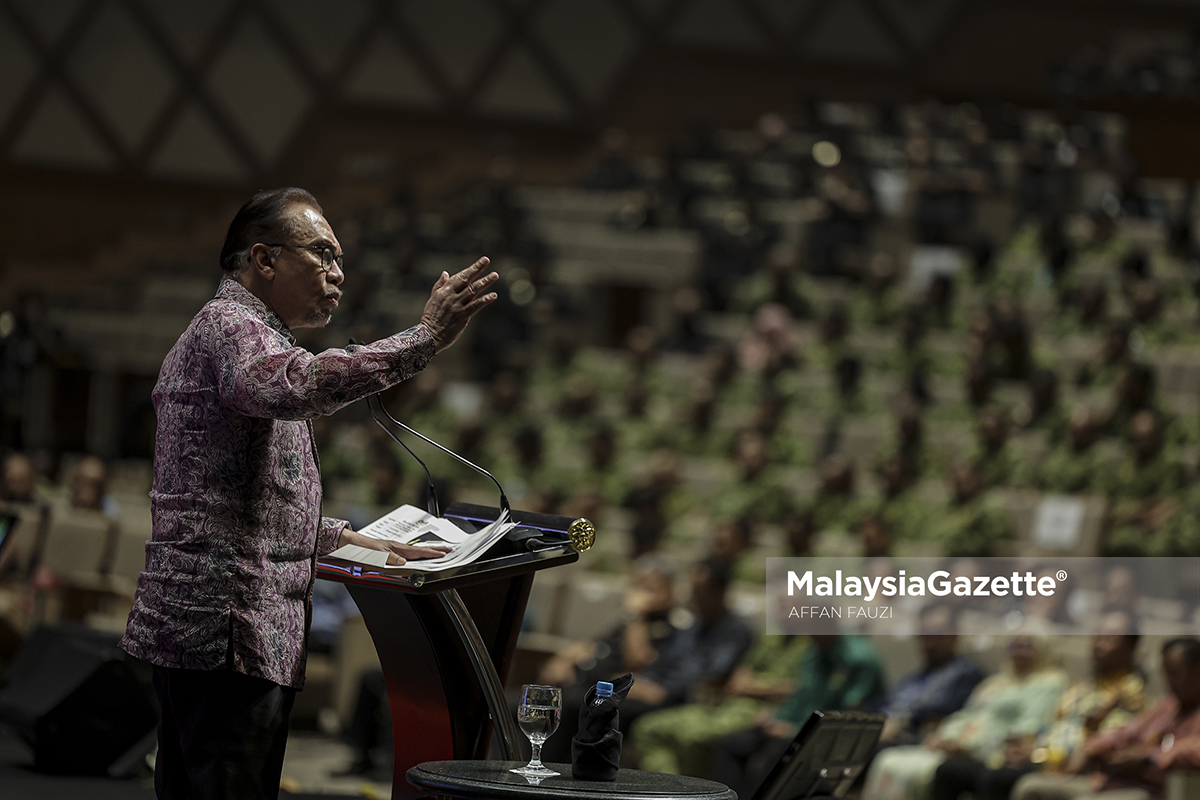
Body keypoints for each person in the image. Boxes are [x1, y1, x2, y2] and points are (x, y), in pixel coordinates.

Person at [119, 187, 499, 800]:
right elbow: (299, 385)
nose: (338, 273)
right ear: (263, 259)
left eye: (341, 260)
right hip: (226, 635)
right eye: (323, 253)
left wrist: (347, 540)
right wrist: (423, 338)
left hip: (230, 636)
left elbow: (240, 504)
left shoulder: (246, 337)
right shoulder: (230, 328)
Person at [931, 608, 1146, 800]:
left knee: (996, 779)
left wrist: (1038, 753)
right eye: (1096, 636)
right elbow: (1053, 726)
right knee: (949, 771)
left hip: (1072, 767)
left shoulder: (1130, 693)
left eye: (1108, 638)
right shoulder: (1082, 688)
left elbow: (1109, 740)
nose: (1098, 644)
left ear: (1130, 647)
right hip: (1042, 758)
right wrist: (1033, 748)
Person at [862, 635, 1068, 800]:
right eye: (1015, 645)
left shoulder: (1048, 684)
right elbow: (967, 714)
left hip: (986, 752)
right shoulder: (997, 682)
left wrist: (966, 747)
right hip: (954, 744)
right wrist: (943, 736)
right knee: (886, 760)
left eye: (1027, 646)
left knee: (935, 771)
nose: (1019, 652)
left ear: (1043, 649)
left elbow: (1026, 730)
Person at [1013, 637, 1200, 800]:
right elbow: (1126, 731)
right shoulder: (1168, 706)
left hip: (1156, 791)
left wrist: (1150, 757)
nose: (1169, 681)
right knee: (1030, 788)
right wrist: (1091, 749)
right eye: (1166, 673)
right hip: (1114, 782)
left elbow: (1192, 750)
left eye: (1175, 673)